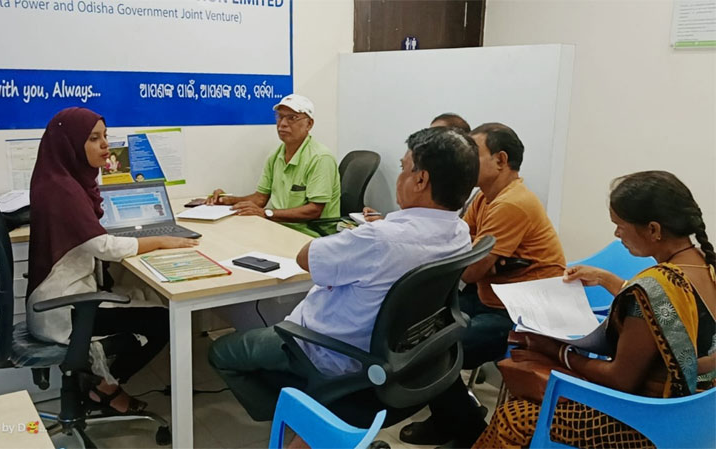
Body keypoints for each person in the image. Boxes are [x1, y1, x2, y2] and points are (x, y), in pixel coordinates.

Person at [208, 126, 479, 424]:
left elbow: (304, 258)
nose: (399, 176)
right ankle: (312, 417)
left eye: (403, 168)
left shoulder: (380, 239)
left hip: (326, 352)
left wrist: (368, 234)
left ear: (420, 180)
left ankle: (304, 420)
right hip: (402, 355)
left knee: (222, 352)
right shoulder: (459, 232)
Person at [473, 170, 716, 448]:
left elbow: (620, 380)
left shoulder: (653, 287)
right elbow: (667, 309)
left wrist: (559, 352)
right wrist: (604, 278)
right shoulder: (705, 266)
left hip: (645, 426)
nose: (617, 233)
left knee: (515, 417)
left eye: (620, 225)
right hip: (695, 422)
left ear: (653, 230)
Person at [399, 123, 566, 446]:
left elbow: (468, 270)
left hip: (522, 315)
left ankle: (468, 431)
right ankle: (449, 420)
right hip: (490, 297)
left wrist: (476, 258)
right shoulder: (484, 198)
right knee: (416, 334)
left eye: (473, 153)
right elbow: (454, 243)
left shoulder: (512, 203)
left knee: (434, 354)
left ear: (500, 160)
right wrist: (480, 257)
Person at [26, 107, 199, 414]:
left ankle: (99, 383)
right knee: (163, 320)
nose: (105, 145)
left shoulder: (61, 178)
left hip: (64, 296)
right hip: (65, 310)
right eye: (94, 138)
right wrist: (160, 240)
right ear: (70, 144)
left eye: (105, 136)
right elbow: (103, 246)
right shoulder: (62, 190)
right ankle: (105, 388)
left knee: (148, 298)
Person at [206, 94, 340, 238]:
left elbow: (314, 210)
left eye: (292, 118)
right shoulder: (276, 155)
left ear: (309, 124)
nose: (282, 124)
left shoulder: (320, 158)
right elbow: (260, 198)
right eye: (280, 117)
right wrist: (226, 200)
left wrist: (266, 213)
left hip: (311, 235)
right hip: (278, 227)